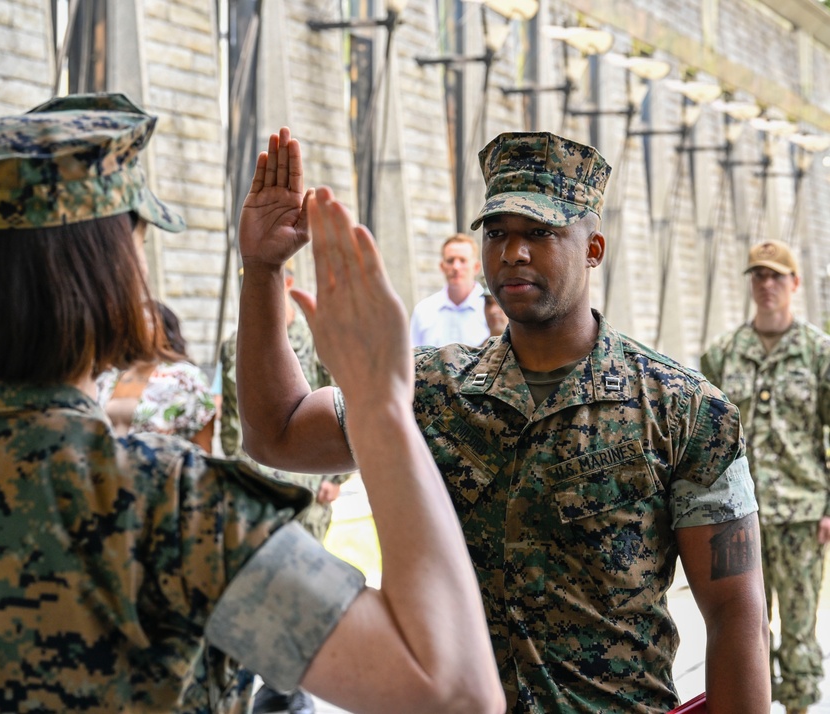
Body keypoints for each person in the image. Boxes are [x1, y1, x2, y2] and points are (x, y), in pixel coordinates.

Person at [0, 95, 503, 714]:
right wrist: (382, 404)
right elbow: (455, 691)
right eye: (136, 247)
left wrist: (261, 274)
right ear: (101, 277)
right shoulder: (171, 507)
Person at [235, 127, 771, 713]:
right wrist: (262, 271)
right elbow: (277, 431)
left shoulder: (683, 410)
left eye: (540, 232)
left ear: (593, 248)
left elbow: (734, 612)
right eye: (497, 233)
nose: (513, 252)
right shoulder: (424, 390)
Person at [700, 239, 830, 714]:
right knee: (744, 628)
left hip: (801, 512)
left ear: (794, 283)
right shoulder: (722, 354)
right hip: (738, 515)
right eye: (758, 275)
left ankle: (798, 707)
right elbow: (707, 440)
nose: (766, 284)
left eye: (776, 275)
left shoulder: (819, 352)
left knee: (797, 630)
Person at [219, 259, 350, 714]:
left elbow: (340, 406)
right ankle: (274, 687)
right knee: (254, 583)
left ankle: (285, 692)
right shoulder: (233, 345)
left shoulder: (311, 343)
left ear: (289, 285)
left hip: (304, 490)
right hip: (253, 489)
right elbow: (234, 423)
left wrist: (336, 477)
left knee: (296, 588)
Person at [97, 300, 216, 452]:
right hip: (106, 470)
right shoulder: (109, 377)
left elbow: (203, 446)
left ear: (165, 331)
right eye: (131, 322)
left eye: (145, 322)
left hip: (161, 471)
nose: (135, 328)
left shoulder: (185, 377)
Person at [409, 233, 489, 347]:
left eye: (463, 260)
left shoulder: (491, 309)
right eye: (450, 260)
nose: (456, 267)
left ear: (476, 267)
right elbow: (412, 358)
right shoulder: (424, 311)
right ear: (442, 266)